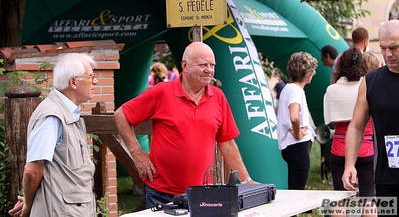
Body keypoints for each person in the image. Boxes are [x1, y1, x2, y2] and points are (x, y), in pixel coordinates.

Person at [114, 41, 256, 208]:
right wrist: (136, 153)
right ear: (185, 66)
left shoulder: (218, 97)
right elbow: (120, 115)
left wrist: (246, 180)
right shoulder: (161, 92)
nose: (209, 70)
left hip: (202, 192)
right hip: (161, 193)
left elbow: (227, 142)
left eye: (212, 65)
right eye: (203, 64)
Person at [8, 53, 98, 217]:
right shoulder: (52, 116)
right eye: (91, 77)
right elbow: (33, 170)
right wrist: (28, 204)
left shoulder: (67, 113)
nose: (96, 81)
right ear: (73, 82)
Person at [342, 20, 399, 213]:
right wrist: (350, 164)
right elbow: (357, 126)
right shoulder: (371, 81)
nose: (388, 54)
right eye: (383, 48)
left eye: (394, 48)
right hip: (387, 177)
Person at [323, 48, 375, 199]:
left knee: (340, 200)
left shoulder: (332, 90)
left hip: (339, 148)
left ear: (340, 65)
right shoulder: (368, 87)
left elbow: (331, 121)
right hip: (366, 148)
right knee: (368, 198)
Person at [277, 52, 318, 190]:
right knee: (297, 191)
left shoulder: (287, 89)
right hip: (297, 145)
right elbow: (294, 116)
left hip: (290, 146)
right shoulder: (296, 91)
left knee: (294, 188)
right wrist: (297, 133)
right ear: (306, 73)